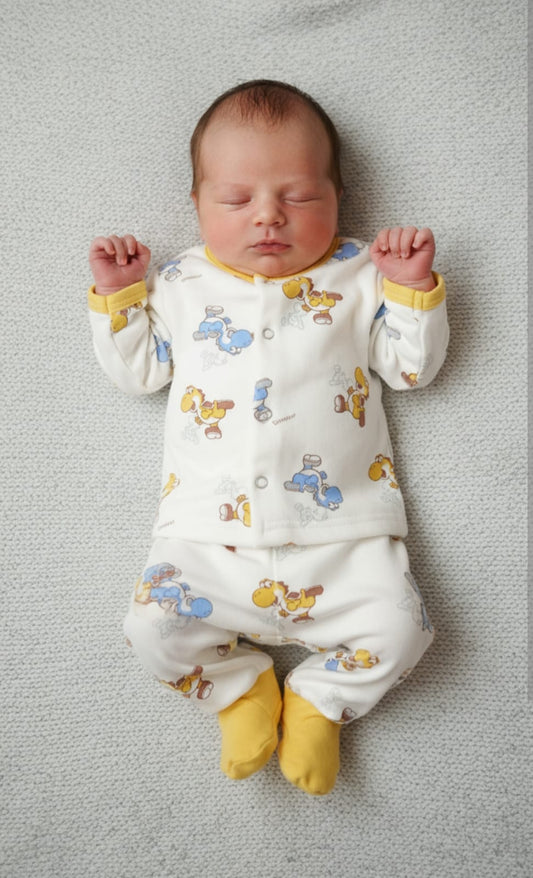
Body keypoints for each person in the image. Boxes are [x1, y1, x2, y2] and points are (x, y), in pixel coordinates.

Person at [87, 80, 448, 796]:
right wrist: (120, 298)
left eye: (300, 197)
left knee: (404, 632)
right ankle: (237, 688)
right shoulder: (180, 282)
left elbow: (409, 369)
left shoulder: (355, 275)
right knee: (149, 630)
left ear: (337, 198)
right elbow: (139, 373)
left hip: (342, 534)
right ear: (196, 204)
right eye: (235, 200)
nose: (268, 218)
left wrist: (410, 287)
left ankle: (320, 697)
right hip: (204, 541)